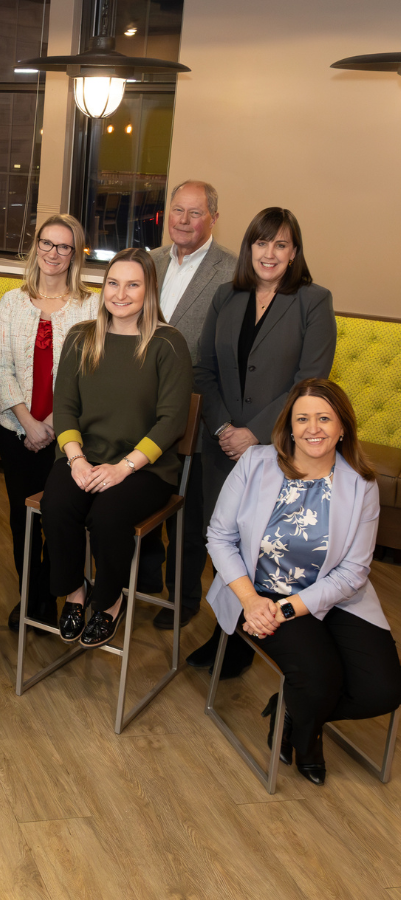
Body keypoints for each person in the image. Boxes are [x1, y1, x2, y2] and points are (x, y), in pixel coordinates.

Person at [206, 379, 401, 786]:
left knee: (383, 691)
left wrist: (290, 609)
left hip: (337, 595)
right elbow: (220, 537)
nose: (314, 428)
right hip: (261, 591)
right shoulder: (255, 463)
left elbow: (353, 572)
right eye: (303, 418)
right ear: (289, 427)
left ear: (342, 426)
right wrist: (252, 602)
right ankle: (308, 737)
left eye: (325, 418)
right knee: (318, 677)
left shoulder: (361, 484)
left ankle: (291, 709)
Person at [189, 207, 337, 677]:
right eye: (260, 242)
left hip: (279, 451)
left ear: (294, 253)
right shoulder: (225, 296)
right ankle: (226, 633)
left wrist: (255, 432)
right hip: (222, 446)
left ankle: (259, 636)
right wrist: (222, 429)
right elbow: (203, 369)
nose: (268, 253)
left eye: (280, 244)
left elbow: (310, 380)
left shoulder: (314, 301)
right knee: (226, 541)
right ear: (249, 247)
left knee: (266, 547)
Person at [42, 248, 193, 648]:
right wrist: (75, 460)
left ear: (149, 291)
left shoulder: (168, 343)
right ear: (103, 286)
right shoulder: (80, 337)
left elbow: (172, 421)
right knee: (58, 505)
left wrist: (123, 468)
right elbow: (65, 408)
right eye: (113, 283)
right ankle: (75, 594)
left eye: (132, 285)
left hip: (144, 468)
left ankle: (109, 601)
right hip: (83, 455)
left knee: (108, 517)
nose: (120, 294)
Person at [137, 181, 238, 629]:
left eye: (194, 213)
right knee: (145, 496)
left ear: (213, 217)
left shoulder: (232, 272)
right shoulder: (150, 262)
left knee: (188, 510)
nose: (182, 220)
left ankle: (183, 598)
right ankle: (145, 579)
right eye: (177, 210)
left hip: (196, 411)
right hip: (142, 405)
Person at [0, 214, 97, 632]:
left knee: (60, 518)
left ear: (75, 254)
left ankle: (59, 593)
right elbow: (0, 367)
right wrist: (27, 422)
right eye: (47, 244)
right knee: (22, 520)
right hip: (16, 430)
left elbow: (89, 373)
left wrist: (51, 424)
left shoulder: (90, 306)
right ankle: (30, 598)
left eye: (64, 246)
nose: (54, 253)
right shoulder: (12, 302)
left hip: (66, 436)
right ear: (36, 247)